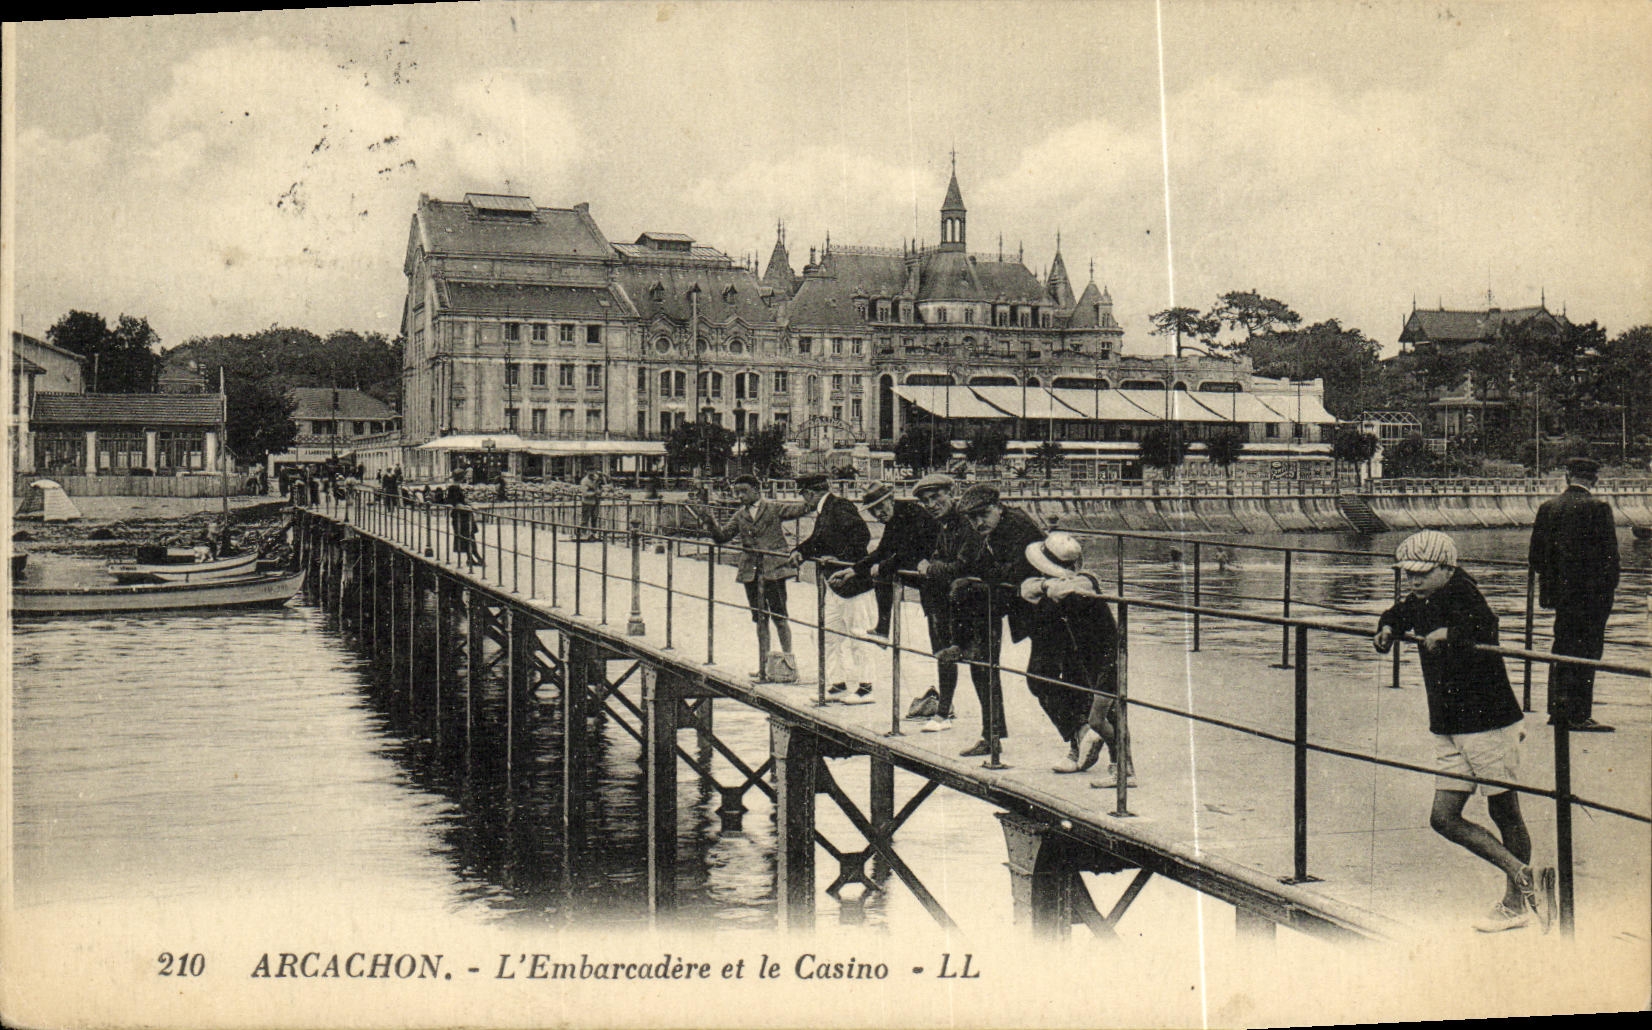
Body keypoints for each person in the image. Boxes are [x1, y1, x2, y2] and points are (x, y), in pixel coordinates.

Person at [1374, 530, 1553, 934]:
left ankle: (1515, 903)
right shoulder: (1423, 598)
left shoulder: (1464, 595)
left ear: (1447, 569)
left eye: (1422, 573)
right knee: (1444, 818)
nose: (1413, 581)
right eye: (1407, 574)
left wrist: (1450, 636)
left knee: (1504, 810)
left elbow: (1486, 628)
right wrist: (1386, 626)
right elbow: (1400, 612)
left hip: (1487, 722)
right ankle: (1524, 875)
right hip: (1450, 724)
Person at [934, 484, 1045, 758]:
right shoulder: (991, 528)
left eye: (982, 515)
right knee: (982, 663)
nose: (977, 523)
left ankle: (1084, 736)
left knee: (1045, 678)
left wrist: (982, 576)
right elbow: (979, 565)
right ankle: (991, 735)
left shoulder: (1017, 526)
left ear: (998, 506)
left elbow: (1019, 570)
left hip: (1039, 602)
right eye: (972, 518)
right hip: (1012, 597)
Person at [1019, 532, 1130, 787]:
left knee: (1101, 718)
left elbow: (1078, 586)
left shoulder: (1087, 580)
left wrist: (1055, 583)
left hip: (1107, 656)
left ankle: (1122, 769)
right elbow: (1027, 589)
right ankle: (1120, 767)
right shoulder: (1052, 582)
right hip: (1089, 655)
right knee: (1103, 714)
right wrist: (1047, 584)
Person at [1529, 456, 1620, 732]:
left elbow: (1536, 558)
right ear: (1595, 480)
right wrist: (1606, 591)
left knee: (1562, 647)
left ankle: (1558, 711)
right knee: (1587, 652)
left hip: (1561, 599)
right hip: (1592, 599)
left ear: (1567, 478)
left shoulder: (1549, 508)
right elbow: (1611, 559)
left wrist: (1555, 587)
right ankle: (1579, 715)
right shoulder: (1599, 508)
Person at [692, 475, 808, 683]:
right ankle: (764, 664)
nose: (740, 496)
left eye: (744, 491)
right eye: (738, 492)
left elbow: (800, 509)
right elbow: (722, 537)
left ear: (757, 490)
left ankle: (789, 664)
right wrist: (709, 521)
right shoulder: (739, 515)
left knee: (780, 617)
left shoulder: (773, 508)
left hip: (774, 570)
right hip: (751, 573)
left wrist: (813, 500)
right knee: (760, 619)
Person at [791, 472, 876, 702]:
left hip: (853, 584)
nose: (804, 502)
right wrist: (800, 551)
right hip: (835, 586)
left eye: (804, 496)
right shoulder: (825, 510)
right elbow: (818, 540)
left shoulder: (839, 506)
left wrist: (839, 559)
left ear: (810, 493)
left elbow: (862, 536)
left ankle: (865, 687)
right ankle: (837, 684)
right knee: (826, 634)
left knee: (858, 635)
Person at [851, 482, 940, 640]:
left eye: (880, 506)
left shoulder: (912, 513)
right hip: (921, 571)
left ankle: (883, 630)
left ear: (891, 499)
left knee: (938, 622)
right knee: (883, 576)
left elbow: (909, 551)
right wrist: (854, 569)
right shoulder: (895, 515)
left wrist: (882, 566)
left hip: (935, 571)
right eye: (872, 510)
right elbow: (883, 550)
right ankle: (882, 630)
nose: (878, 513)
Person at [445, 472, 482, 569]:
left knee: (467, 537)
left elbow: (458, 502)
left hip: (462, 516)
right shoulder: (454, 488)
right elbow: (457, 504)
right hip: (462, 516)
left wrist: (468, 505)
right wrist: (470, 507)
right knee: (468, 537)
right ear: (461, 478)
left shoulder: (455, 488)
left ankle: (471, 558)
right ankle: (476, 558)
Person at [581, 471, 604, 540]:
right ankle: (583, 533)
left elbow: (599, 488)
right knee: (585, 518)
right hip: (587, 502)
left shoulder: (596, 478)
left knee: (595, 518)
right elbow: (585, 494)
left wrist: (600, 490)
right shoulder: (584, 481)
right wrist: (594, 493)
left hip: (596, 502)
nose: (593, 476)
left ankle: (594, 533)